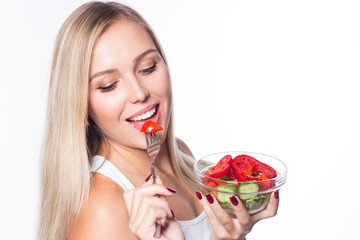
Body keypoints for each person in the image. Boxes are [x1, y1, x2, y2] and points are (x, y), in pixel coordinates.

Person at [39, 1, 280, 240]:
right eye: (108, 85)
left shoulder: (181, 154)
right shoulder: (103, 207)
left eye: (147, 67)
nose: (139, 93)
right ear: (81, 107)